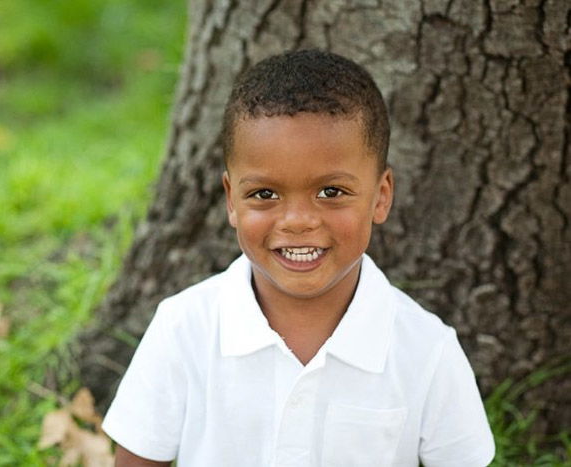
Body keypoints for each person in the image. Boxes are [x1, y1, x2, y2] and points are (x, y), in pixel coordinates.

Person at [102, 49, 495, 466]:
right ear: (231, 200)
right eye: (264, 194)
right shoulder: (184, 328)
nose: (298, 221)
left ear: (381, 197)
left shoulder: (427, 350)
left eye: (331, 192)